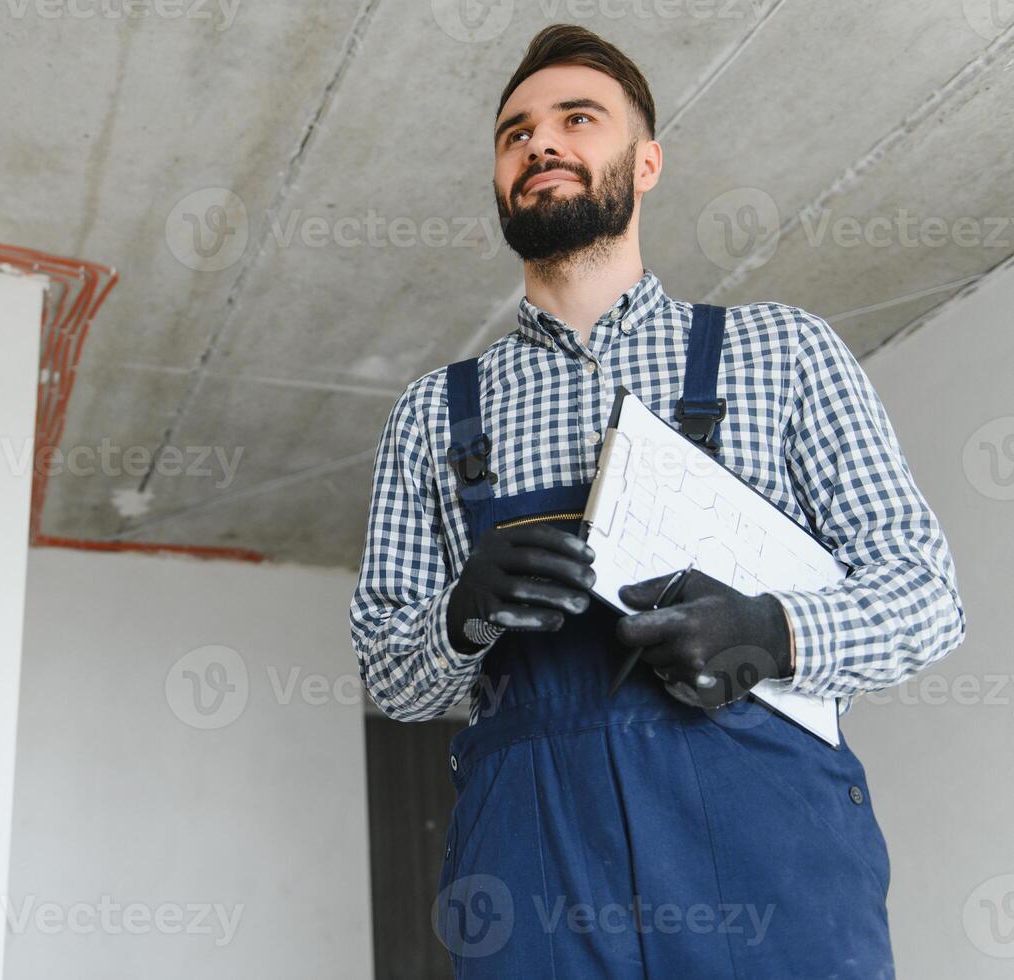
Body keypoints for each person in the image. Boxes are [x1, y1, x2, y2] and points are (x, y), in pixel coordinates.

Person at [349, 23, 965, 979]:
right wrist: (458, 618)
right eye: (514, 133)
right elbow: (391, 678)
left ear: (645, 163)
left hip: (766, 858)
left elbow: (926, 597)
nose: (540, 143)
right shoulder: (433, 413)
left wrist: (772, 631)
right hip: (533, 866)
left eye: (576, 119)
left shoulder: (782, 353)